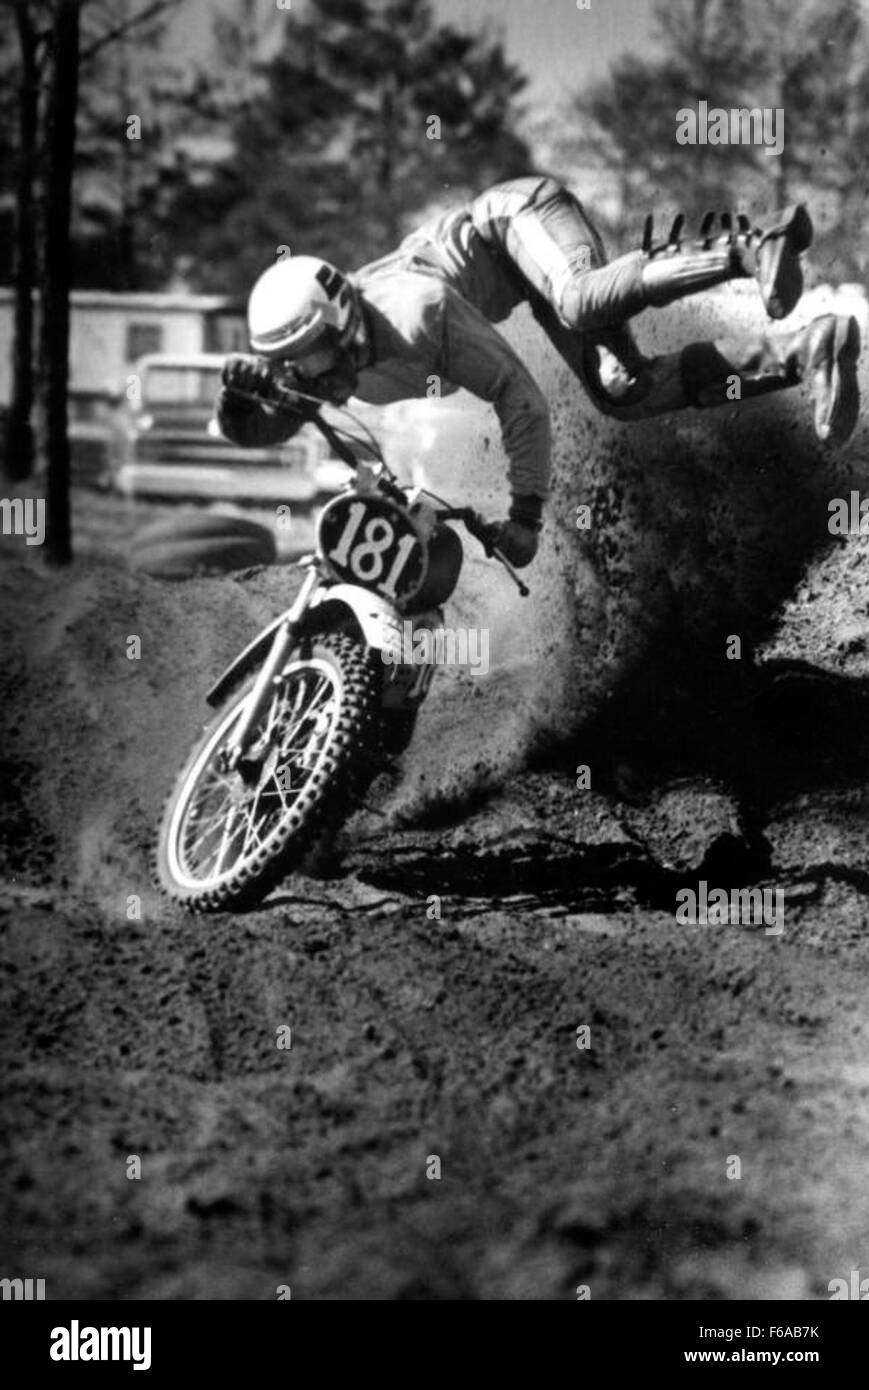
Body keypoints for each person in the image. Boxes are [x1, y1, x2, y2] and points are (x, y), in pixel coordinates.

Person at [217, 175, 861, 569]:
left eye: (311, 359)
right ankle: (805, 351)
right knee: (622, 392)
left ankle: (753, 243)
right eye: (291, 366)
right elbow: (264, 427)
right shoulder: (322, 360)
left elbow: (519, 399)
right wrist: (238, 400)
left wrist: (525, 514)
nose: (310, 377)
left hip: (516, 218)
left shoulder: (417, 313)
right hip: (527, 282)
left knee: (579, 299)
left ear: (339, 328)